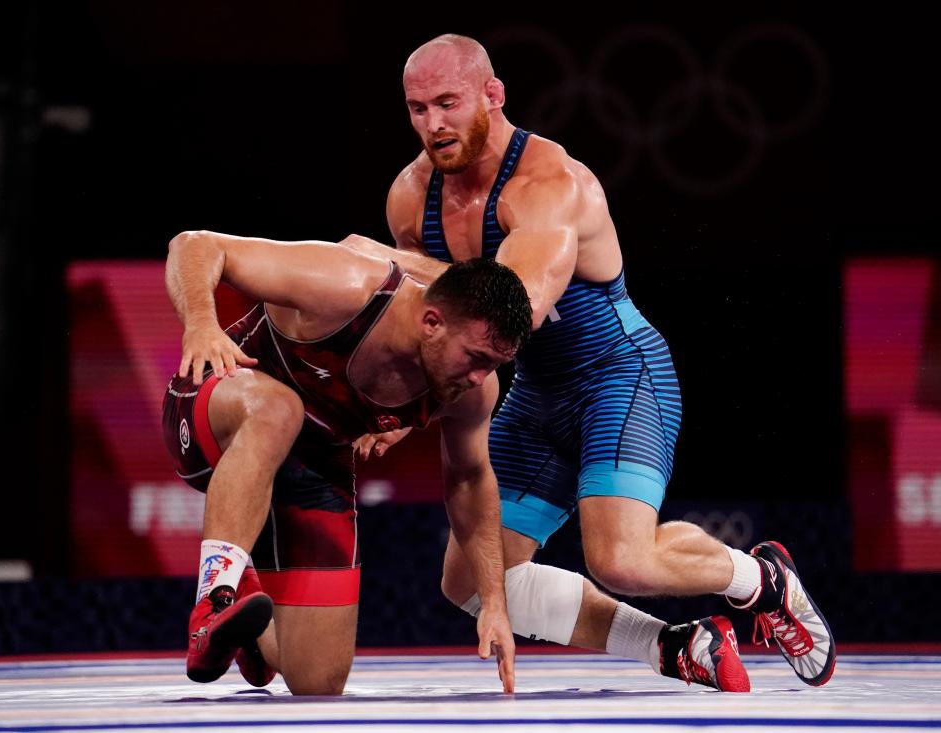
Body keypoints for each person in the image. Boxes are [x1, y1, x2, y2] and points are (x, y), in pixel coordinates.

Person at [343, 33, 835, 689]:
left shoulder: (550, 186)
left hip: (619, 374)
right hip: (538, 392)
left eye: (447, 103)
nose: (433, 125)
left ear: (493, 95)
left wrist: (388, 277)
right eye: (417, 108)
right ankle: (673, 646)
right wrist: (403, 387)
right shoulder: (411, 196)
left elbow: (508, 316)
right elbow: (424, 323)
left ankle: (762, 580)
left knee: (622, 559)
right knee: (468, 577)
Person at [161, 229, 533, 694]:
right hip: (213, 411)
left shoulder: (472, 391)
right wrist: (200, 325)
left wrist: (494, 602)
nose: (480, 377)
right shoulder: (347, 286)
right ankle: (214, 602)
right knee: (281, 410)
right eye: (475, 357)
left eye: (495, 364)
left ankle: (250, 633)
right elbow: (194, 245)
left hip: (313, 464)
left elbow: (470, 479)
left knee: (318, 683)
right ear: (432, 322)